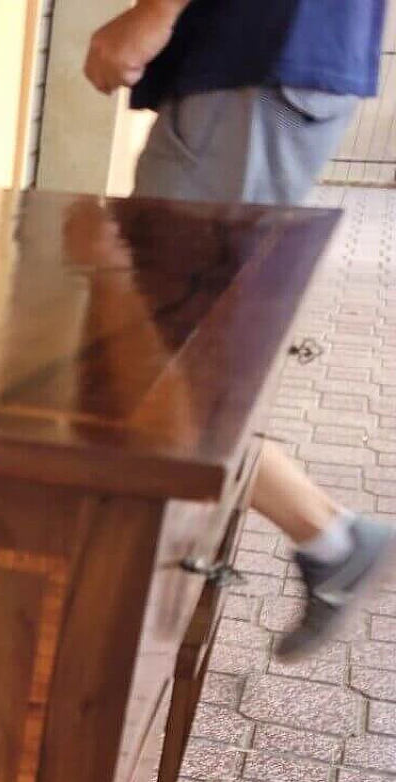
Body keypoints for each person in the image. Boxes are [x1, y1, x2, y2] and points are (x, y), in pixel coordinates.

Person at [85, 0, 394, 657]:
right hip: (270, 66)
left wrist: (153, 12)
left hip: (256, 60)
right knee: (167, 364)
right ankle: (327, 538)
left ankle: (331, 536)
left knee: (158, 367)